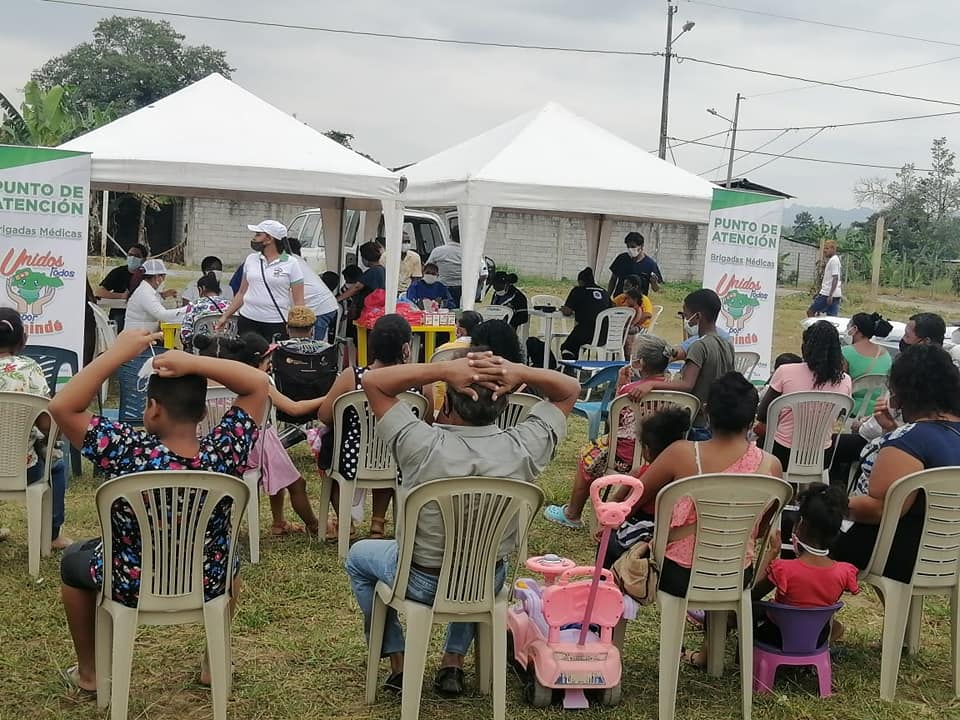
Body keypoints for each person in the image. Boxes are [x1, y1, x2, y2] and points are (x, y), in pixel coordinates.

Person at [346, 349, 579, 697]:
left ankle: (399, 661)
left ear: (447, 404)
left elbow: (374, 382)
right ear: (503, 403)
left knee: (357, 557)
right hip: (486, 579)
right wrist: (517, 370)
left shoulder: (421, 443)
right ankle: (453, 661)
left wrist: (442, 369)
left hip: (419, 580)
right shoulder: (523, 447)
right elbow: (569, 389)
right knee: (476, 558)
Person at [52, 329, 268, 695]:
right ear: (203, 412)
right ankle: (213, 663)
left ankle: (90, 672)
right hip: (208, 578)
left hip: (128, 581)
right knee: (230, 561)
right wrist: (194, 361)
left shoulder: (125, 449)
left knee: (74, 560)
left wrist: (118, 354)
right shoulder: (224, 450)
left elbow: (62, 407)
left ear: (152, 408)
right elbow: (258, 384)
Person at [628, 373, 782, 600]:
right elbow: (760, 529)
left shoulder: (681, 453)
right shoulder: (771, 466)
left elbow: (631, 501)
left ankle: (615, 614)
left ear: (707, 413)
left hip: (679, 575)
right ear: (752, 421)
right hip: (736, 574)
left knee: (616, 542)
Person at [687, 483, 859, 666]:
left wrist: (771, 553)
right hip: (816, 639)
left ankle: (709, 654)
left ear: (800, 524)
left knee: (735, 610)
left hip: (778, 638)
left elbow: (750, 594)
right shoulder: (844, 571)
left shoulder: (784, 570)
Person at [833, 344, 960, 581]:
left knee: (807, 524)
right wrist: (891, 429)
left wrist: (827, 502)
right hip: (947, 556)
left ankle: (800, 602)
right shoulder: (945, 433)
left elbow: (879, 509)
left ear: (902, 393)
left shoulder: (908, 441)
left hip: (896, 554)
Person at [195, 332, 323, 538]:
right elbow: (295, 409)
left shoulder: (197, 385)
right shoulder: (257, 383)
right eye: (267, 361)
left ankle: (279, 522)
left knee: (278, 473)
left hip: (219, 452)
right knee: (296, 483)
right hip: (258, 445)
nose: (270, 366)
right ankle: (313, 525)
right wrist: (329, 397)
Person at [316, 315, 429, 541]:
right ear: (406, 349)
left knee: (330, 449)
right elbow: (427, 422)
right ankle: (377, 523)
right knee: (390, 445)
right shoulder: (420, 382)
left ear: (372, 344)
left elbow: (324, 416)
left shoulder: (353, 377)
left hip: (352, 460)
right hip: (400, 461)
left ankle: (346, 523)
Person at [544, 334, 675, 529]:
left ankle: (573, 513)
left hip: (626, 456)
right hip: (664, 456)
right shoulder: (676, 389)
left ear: (640, 363)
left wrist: (621, 387)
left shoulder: (631, 391)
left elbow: (615, 424)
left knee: (588, 456)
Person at [0, 309, 70, 549]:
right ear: (23, 339)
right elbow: (46, 423)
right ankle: (52, 535)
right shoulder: (30, 370)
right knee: (56, 465)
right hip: (21, 467)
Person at [627, 289, 734, 440]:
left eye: (686, 315)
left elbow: (686, 385)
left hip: (697, 423)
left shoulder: (699, 346)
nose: (685, 320)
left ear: (698, 316)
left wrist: (651, 384)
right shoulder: (726, 344)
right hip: (717, 420)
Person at [757, 320, 852, 472]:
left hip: (781, 454)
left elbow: (763, 414)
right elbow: (839, 416)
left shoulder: (785, 371)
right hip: (822, 457)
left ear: (806, 346)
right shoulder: (845, 380)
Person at [118, 258, 185, 423]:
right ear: (157, 277)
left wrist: (164, 295)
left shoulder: (147, 290)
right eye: (163, 277)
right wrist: (189, 309)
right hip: (136, 344)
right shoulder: (145, 293)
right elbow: (162, 314)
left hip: (141, 340)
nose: (163, 281)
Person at [216, 220, 305, 342]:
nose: (254, 238)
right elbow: (241, 293)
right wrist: (225, 316)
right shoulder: (251, 259)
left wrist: (298, 327)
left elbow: (299, 301)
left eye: (258, 235)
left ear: (269, 239)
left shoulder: (291, 263)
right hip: (248, 320)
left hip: (276, 322)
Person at [286, 237, 340, 341]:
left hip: (318, 308)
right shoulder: (295, 259)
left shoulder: (289, 260)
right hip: (318, 306)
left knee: (311, 346)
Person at [843, 312, 893, 415]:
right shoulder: (885, 353)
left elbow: (840, 383)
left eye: (849, 326)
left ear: (855, 329)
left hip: (852, 408)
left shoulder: (845, 352)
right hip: (878, 410)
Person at [559, 267, 612, 360]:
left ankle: (569, 365)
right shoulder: (605, 293)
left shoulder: (578, 290)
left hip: (586, 332)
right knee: (577, 345)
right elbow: (612, 309)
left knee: (567, 347)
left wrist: (562, 309)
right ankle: (575, 363)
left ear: (581, 281)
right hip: (605, 335)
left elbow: (568, 311)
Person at [95, 243, 148, 331]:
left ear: (143, 260)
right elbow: (99, 292)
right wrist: (121, 296)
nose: (132, 258)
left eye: (137, 256)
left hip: (140, 315)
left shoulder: (147, 275)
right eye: (130, 255)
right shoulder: (118, 272)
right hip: (119, 313)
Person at [179, 273, 230, 351]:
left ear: (202, 288)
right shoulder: (229, 304)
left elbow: (186, 334)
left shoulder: (194, 304)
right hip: (226, 349)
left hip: (202, 350)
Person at [608, 231, 662, 297]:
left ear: (641, 246)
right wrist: (608, 296)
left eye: (633, 247)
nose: (630, 249)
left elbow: (656, 289)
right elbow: (613, 279)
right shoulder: (621, 258)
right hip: (620, 299)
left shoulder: (650, 264)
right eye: (628, 247)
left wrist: (654, 283)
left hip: (638, 301)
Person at [338, 242, 386, 307]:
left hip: (371, 306)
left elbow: (357, 287)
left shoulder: (373, 271)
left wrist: (339, 298)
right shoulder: (383, 269)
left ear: (366, 258)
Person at [426, 227, 464, 307]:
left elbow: (428, 267)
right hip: (463, 288)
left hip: (442, 286)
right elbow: (481, 272)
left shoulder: (438, 251)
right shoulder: (468, 252)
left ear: (450, 236)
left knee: (443, 310)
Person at [807, 240, 842, 317]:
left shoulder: (834, 261)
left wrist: (830, 295)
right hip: (835, 294)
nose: (824, 251)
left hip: (827, 294)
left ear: (833, 249)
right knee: (831, 318)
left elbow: (835, 278)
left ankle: (814, 325)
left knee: (810, 311)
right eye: (824, 248)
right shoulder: (834, 260)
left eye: (827, 248)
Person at [622, 287, 654, 359]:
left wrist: (632, 324)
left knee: (627, 334)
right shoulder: (629, 307)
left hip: (636, 327)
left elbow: (638, 317)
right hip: (629, 326)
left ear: (635, 299)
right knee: (623, 332)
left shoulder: (637, 308)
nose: (626, 300)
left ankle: (628, 354)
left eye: (628, 298)